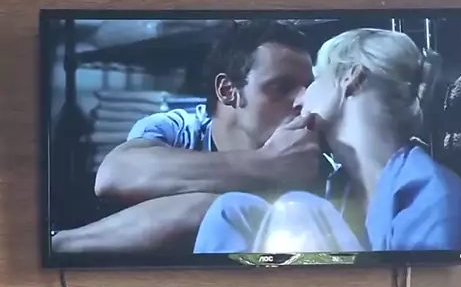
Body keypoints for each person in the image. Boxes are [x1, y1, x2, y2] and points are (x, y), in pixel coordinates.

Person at [194, 28, 461, 254]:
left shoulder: (434, 193)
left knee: (298, 207)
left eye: (314, 80)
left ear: (351, 79)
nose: (300, 98)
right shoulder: (337, 186)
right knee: (231, 209)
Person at [52, 20, 320, 254]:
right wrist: (267, 164)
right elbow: (113, 175)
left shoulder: (314, 153)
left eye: (308, 87)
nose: (303, 100)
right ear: (228, 91)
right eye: (281, 87)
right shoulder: (179, 130)